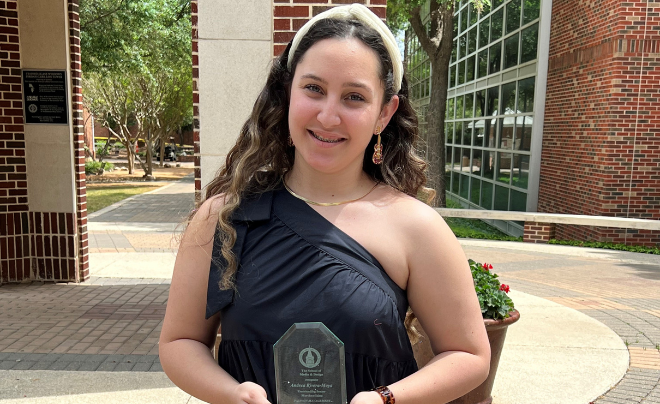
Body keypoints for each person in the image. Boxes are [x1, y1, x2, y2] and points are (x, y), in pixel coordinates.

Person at [159, 4, 490, 404]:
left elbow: (469, 354)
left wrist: (386, 399)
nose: (328, 116)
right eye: (314, 89)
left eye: (354, 97)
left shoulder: (416, 227)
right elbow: (179, 342)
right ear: (287, 93)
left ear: (384, 113)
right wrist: (232, 394)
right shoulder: (224, 217)